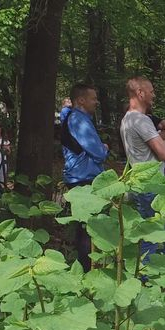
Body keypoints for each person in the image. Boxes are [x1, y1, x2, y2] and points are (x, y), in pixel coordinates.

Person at [119, 76, 165, 256]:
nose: (154, 95)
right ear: (140, 93)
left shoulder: (128, 119)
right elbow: (164, 154)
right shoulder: (141, 120)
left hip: (141, 185)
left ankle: (144, 278)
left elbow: (150, 143)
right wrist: (164, 142)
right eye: (151, 91)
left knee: (148, 235)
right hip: (154, 186)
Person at [61, 83, 109, 272]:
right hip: (82, 180)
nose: (96, 102)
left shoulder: (79, 118)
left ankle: (87, 268)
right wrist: (103, 148)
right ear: (81, 100)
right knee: (87, 229)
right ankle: (87, 271)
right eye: (93, 98)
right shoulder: (78, 120)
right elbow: (98, 152)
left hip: (81, 178)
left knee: (86, 228)